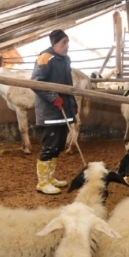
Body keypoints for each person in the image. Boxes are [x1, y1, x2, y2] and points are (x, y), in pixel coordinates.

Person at [31, 29, 78, 194]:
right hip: (50, 112)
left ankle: (50, 178)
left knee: (58, 146)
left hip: (63, 111)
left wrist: (73, 104)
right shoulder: (45, 58)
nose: (67, 46)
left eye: (67, 42)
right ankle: (42, 183)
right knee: (49, 146)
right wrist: (53, 97)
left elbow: (68, 84)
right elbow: (36, 83)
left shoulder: (65, 59)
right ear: (54, 44)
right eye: (64, 43)